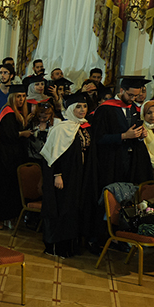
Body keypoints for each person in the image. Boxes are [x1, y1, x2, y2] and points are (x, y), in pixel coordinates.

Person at [40, 92, 98, 258]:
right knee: (62, 209)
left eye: (84, 106)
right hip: (63, 178)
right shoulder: (61, 128)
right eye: (78, 107)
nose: (82, 110)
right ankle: (57, 246)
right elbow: (52, 154)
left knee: (75, 209)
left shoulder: (84, 127)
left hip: (79, 176)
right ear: (71, 108)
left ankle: (73, 246)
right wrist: (57, 175)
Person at [90, 76, 153, 190]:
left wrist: (140, 136)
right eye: (130, 95)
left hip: (130, 159)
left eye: (136, 96)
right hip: (111, 160)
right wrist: (123, 136)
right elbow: (98, 138)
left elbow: (134, 132)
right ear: (122, 90)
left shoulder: (134, 109)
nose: (133, 99)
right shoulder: (105, 109)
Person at [0, 85, 31, 229]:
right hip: (4, 159)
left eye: (23, 96)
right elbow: (6, 135)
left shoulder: (19, 113)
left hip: (14, 158)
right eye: (18, 96)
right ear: (12, 97)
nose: (21, 99)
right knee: (3, 189)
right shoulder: (7, 112)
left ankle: (11, 218)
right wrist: (22, 134)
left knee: (13, 190)